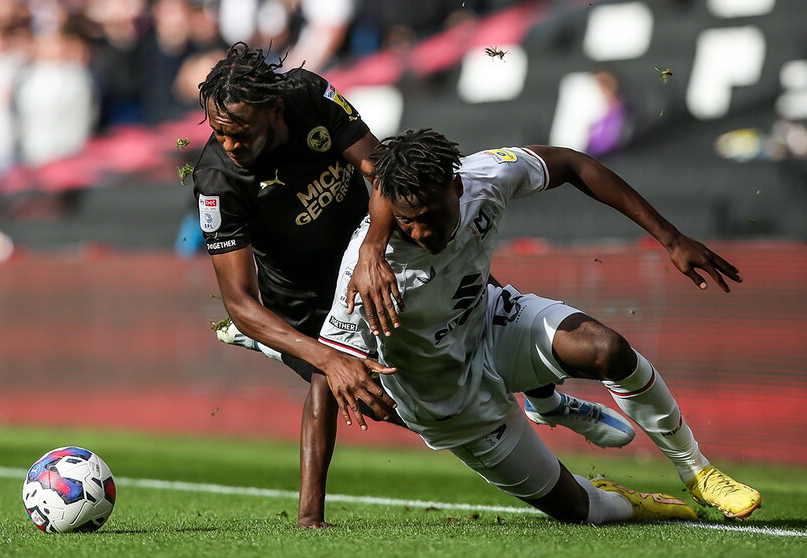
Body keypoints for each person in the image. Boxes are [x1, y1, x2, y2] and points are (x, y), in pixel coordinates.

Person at [192, 44, 629, 528]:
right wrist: (330, 357)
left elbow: (381, 167)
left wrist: (373, 249)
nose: (229, 144)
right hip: (306, 299)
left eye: (240, 133)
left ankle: (548, 402)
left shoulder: (309, 96)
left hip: (375, 256)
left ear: (274, 110)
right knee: (351, 386)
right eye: (218, 133)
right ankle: (309, 514)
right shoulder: (217, 179)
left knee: (473, 296)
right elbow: (238, 301)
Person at [318, 129, 762, 522]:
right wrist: (362, 385)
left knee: (605, 348)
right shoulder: (367, 271)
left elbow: (572, 163)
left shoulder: (484, 175)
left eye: (431, 215)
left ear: (457, 185)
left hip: (490, 322)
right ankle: (618, 494)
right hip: (450, 396)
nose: (419, 232)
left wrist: (672, 238)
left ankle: (697, 469)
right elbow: (338, 361)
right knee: (580, 511)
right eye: (405, 220)